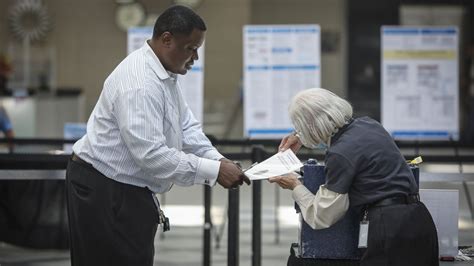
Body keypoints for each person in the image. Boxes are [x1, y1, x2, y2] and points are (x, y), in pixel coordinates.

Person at [65, 5, 249, 266]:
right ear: (166, 39)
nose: (195, 58)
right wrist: (214, 171)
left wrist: (218, 161)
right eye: (191, 49)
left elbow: (186, 127)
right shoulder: (140, 83)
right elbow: (151, 156)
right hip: (104, 188)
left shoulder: (164, 74)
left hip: (127, 187)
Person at [270, 88, 438, 266]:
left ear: (310, 125)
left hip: (388, 231)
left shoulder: (339, 153)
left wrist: (295, 185)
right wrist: (301, 136)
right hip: (420, 220)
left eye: (300, 128)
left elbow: (323, 215)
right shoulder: (369, 124)